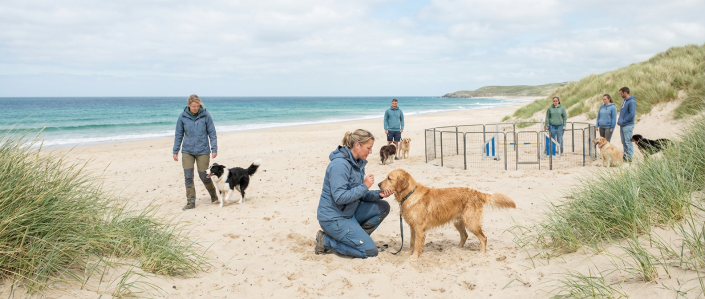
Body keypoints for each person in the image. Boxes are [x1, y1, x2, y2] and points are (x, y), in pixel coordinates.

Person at [315, 129, 394, 258]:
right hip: (334, 218)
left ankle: (356, 240)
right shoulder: (339, 165)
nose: (371, 152)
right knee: (370, 252)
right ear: (357, 145)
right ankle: (326, 241)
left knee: (383, 206)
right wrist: (364, 186)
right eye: (368, 148)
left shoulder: (357, 163)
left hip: (349, 212)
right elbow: (340, 198)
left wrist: (379, 194)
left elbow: (360, 195)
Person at [172, 94, 219, 210]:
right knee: (188, 177)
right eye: (193, 106)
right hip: (187, 151)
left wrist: (214, 148)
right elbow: (179, 135)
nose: (196, 108)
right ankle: (191, 202)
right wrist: (175, 150)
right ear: (188, 105)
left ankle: (213, 195)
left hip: (203, 150)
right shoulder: (182, 117)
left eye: (198, 106)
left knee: (204, 176)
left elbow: (212, 133)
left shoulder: (205, 115)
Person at [617, 87, 637, 162]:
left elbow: (632, 114)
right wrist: (619, 120)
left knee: (628, 141)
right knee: (624, 141)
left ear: (625, 92)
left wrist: (624, 121)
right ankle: (626, 156)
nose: (620, 95)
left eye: (621, 93)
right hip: (622, 125)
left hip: (628, 125)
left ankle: (630, 157)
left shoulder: (631, 101)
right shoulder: (624, 101)